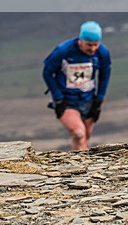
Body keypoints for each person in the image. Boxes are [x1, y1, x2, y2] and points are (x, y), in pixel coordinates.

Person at [42, 21, 112, 150]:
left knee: (86, 136)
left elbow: (104, 75)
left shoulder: (102, 53)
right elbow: (47, 73)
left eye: (95, 45)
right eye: (89, 45)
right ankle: (82, 166)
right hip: (67, 100)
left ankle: (81, 163)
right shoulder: (63, 51)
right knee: (79, 134)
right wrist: (58, 98)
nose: (92, 49)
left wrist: (100, 98)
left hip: (88, 99)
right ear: (81, 40)